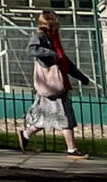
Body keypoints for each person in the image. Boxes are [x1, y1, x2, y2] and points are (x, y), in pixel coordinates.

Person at [19, 8, 91, 157]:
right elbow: (32, 50)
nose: (58, 22)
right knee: (65, 117)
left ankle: (25, 134)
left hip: (57, 83)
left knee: (46, 117)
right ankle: (72, 149)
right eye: (55, 19)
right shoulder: (42, 36)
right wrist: (52, 55)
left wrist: (80, 76)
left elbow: (64, 61)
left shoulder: (53, 37)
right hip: (52, 84)